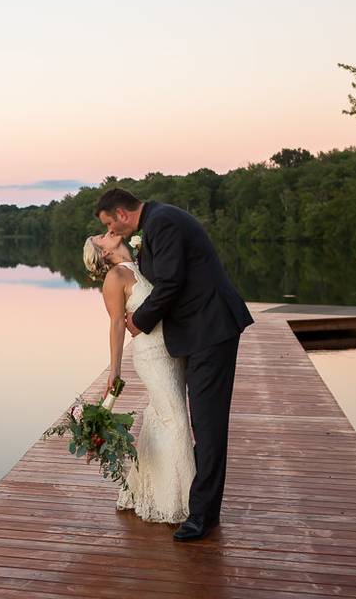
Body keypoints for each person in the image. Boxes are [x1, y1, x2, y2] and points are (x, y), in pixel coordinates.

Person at [90, 188, 254, 541]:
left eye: (108, 223)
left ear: (120, 213)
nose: (111, 232)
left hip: (211, 329)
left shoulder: (162, 222)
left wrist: (139, 321)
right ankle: (196, 503)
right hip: (192, 336)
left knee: (207, 425)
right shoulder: (156, 224)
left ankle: (202, 516)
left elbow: (171, 285)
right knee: (197, 422)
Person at [83, 230, 195, 524]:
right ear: (104, 252)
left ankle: (141, 488)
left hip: (173, 351)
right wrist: (114, 369)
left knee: (162, 417)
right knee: (177, 420)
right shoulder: (115, 278)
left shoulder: (143, 262)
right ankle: (181, 501)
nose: (108, 232)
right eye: (101, 236)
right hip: (151, 356)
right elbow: (117, 326)